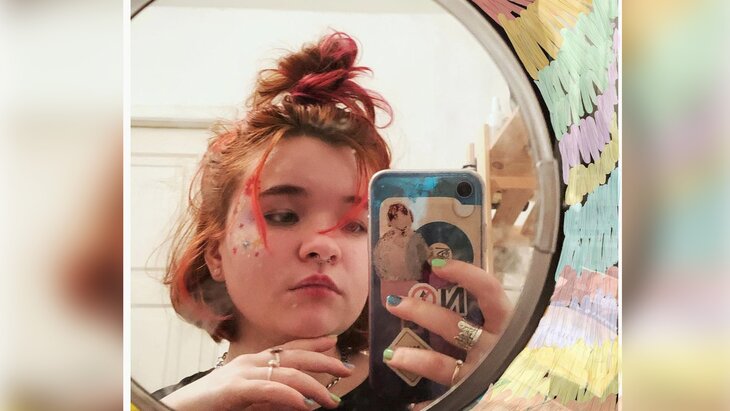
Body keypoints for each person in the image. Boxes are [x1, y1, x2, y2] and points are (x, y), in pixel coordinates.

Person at [153, 32, 512, 411]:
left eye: (356, 225)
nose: (324, 245)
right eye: (282, 216)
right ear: (216, 255)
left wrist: (516, 387)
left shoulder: (438, 393)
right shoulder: (164, 404)